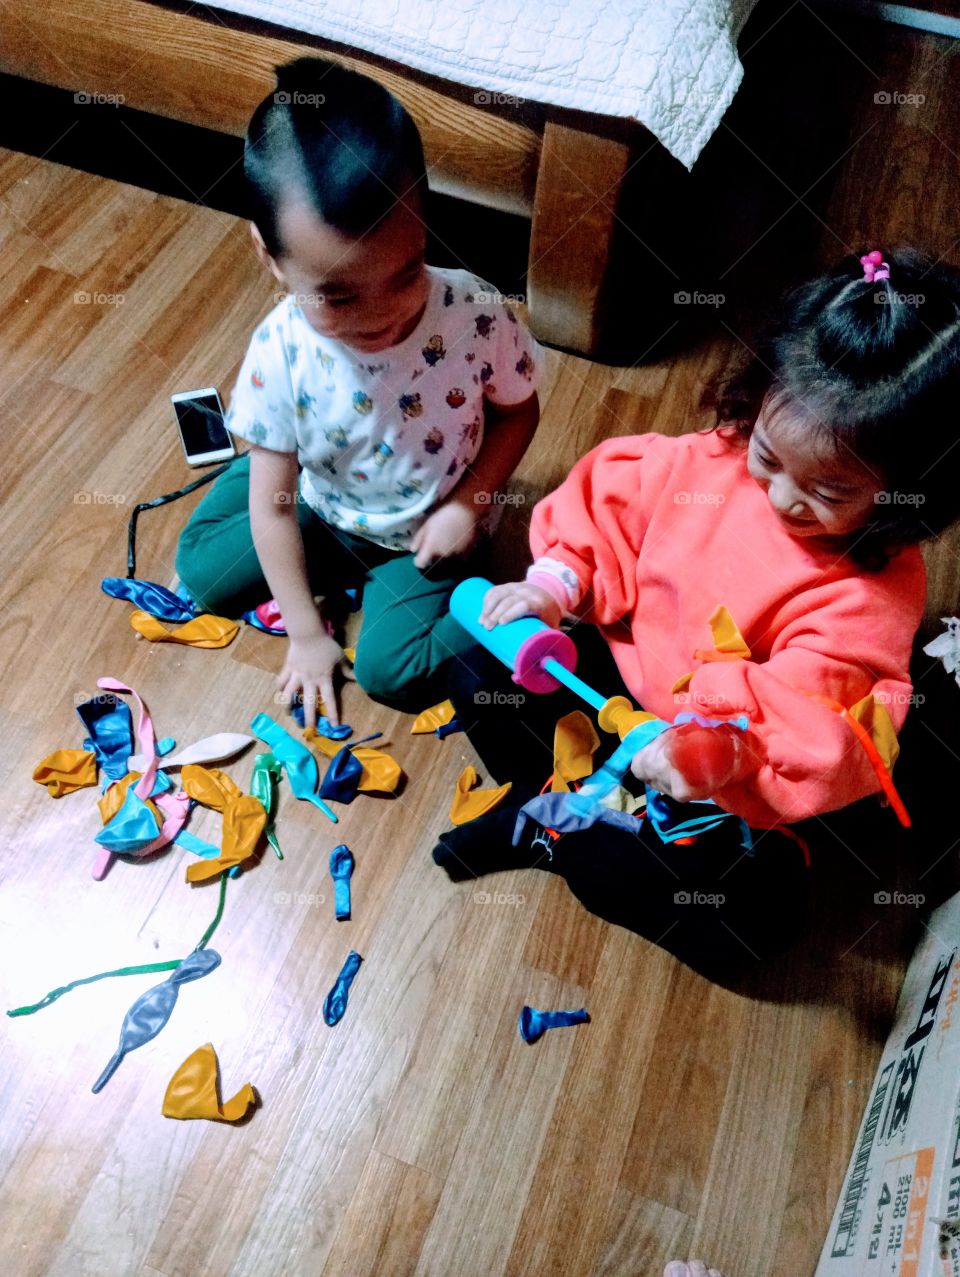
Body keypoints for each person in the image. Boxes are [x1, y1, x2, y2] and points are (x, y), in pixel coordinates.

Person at [434, 246, 960, 974]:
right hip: (631, 676)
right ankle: (575, 796)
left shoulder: (867, 595)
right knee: (474, 673)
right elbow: (611, 513)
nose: (781, 498)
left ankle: (557, 829)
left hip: (731, 766)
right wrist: (553, 586)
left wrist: (710, 752)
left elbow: (815, 723)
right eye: (769, 457)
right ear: (756, 403)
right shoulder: (712, 461)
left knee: (754, 927)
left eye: (829, 493)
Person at [175, 57, 542, 726]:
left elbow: (519, 413)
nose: (381, 317)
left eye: (404, 276)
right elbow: (277, 514)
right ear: (268, 255)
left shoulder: (477, 315)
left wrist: (471, 502)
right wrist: (307, 635)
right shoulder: (280, 353)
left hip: (424, 528)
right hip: (321, 501)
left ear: (424, 221)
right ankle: (268, 451)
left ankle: (508, 598)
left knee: (389, 672)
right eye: (337, 295)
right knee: (201, 569)